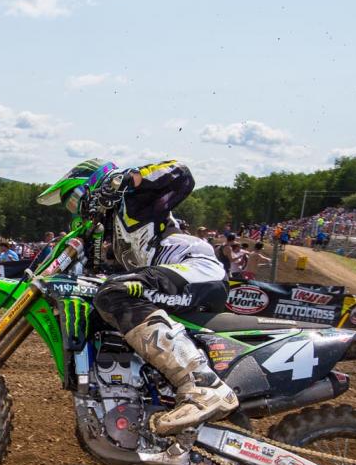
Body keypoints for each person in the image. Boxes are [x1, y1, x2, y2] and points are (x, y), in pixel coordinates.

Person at [46, 158, 238, 434]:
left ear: (96, 186)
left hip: (196, 269)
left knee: (115, 293)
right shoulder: (108, 235)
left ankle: (203, 385)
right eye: (72, 206)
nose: (79, 210)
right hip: (169, 285)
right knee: (105, 299)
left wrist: (130, 179)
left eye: (77, 199)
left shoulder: (135, 203)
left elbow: (181, 175)